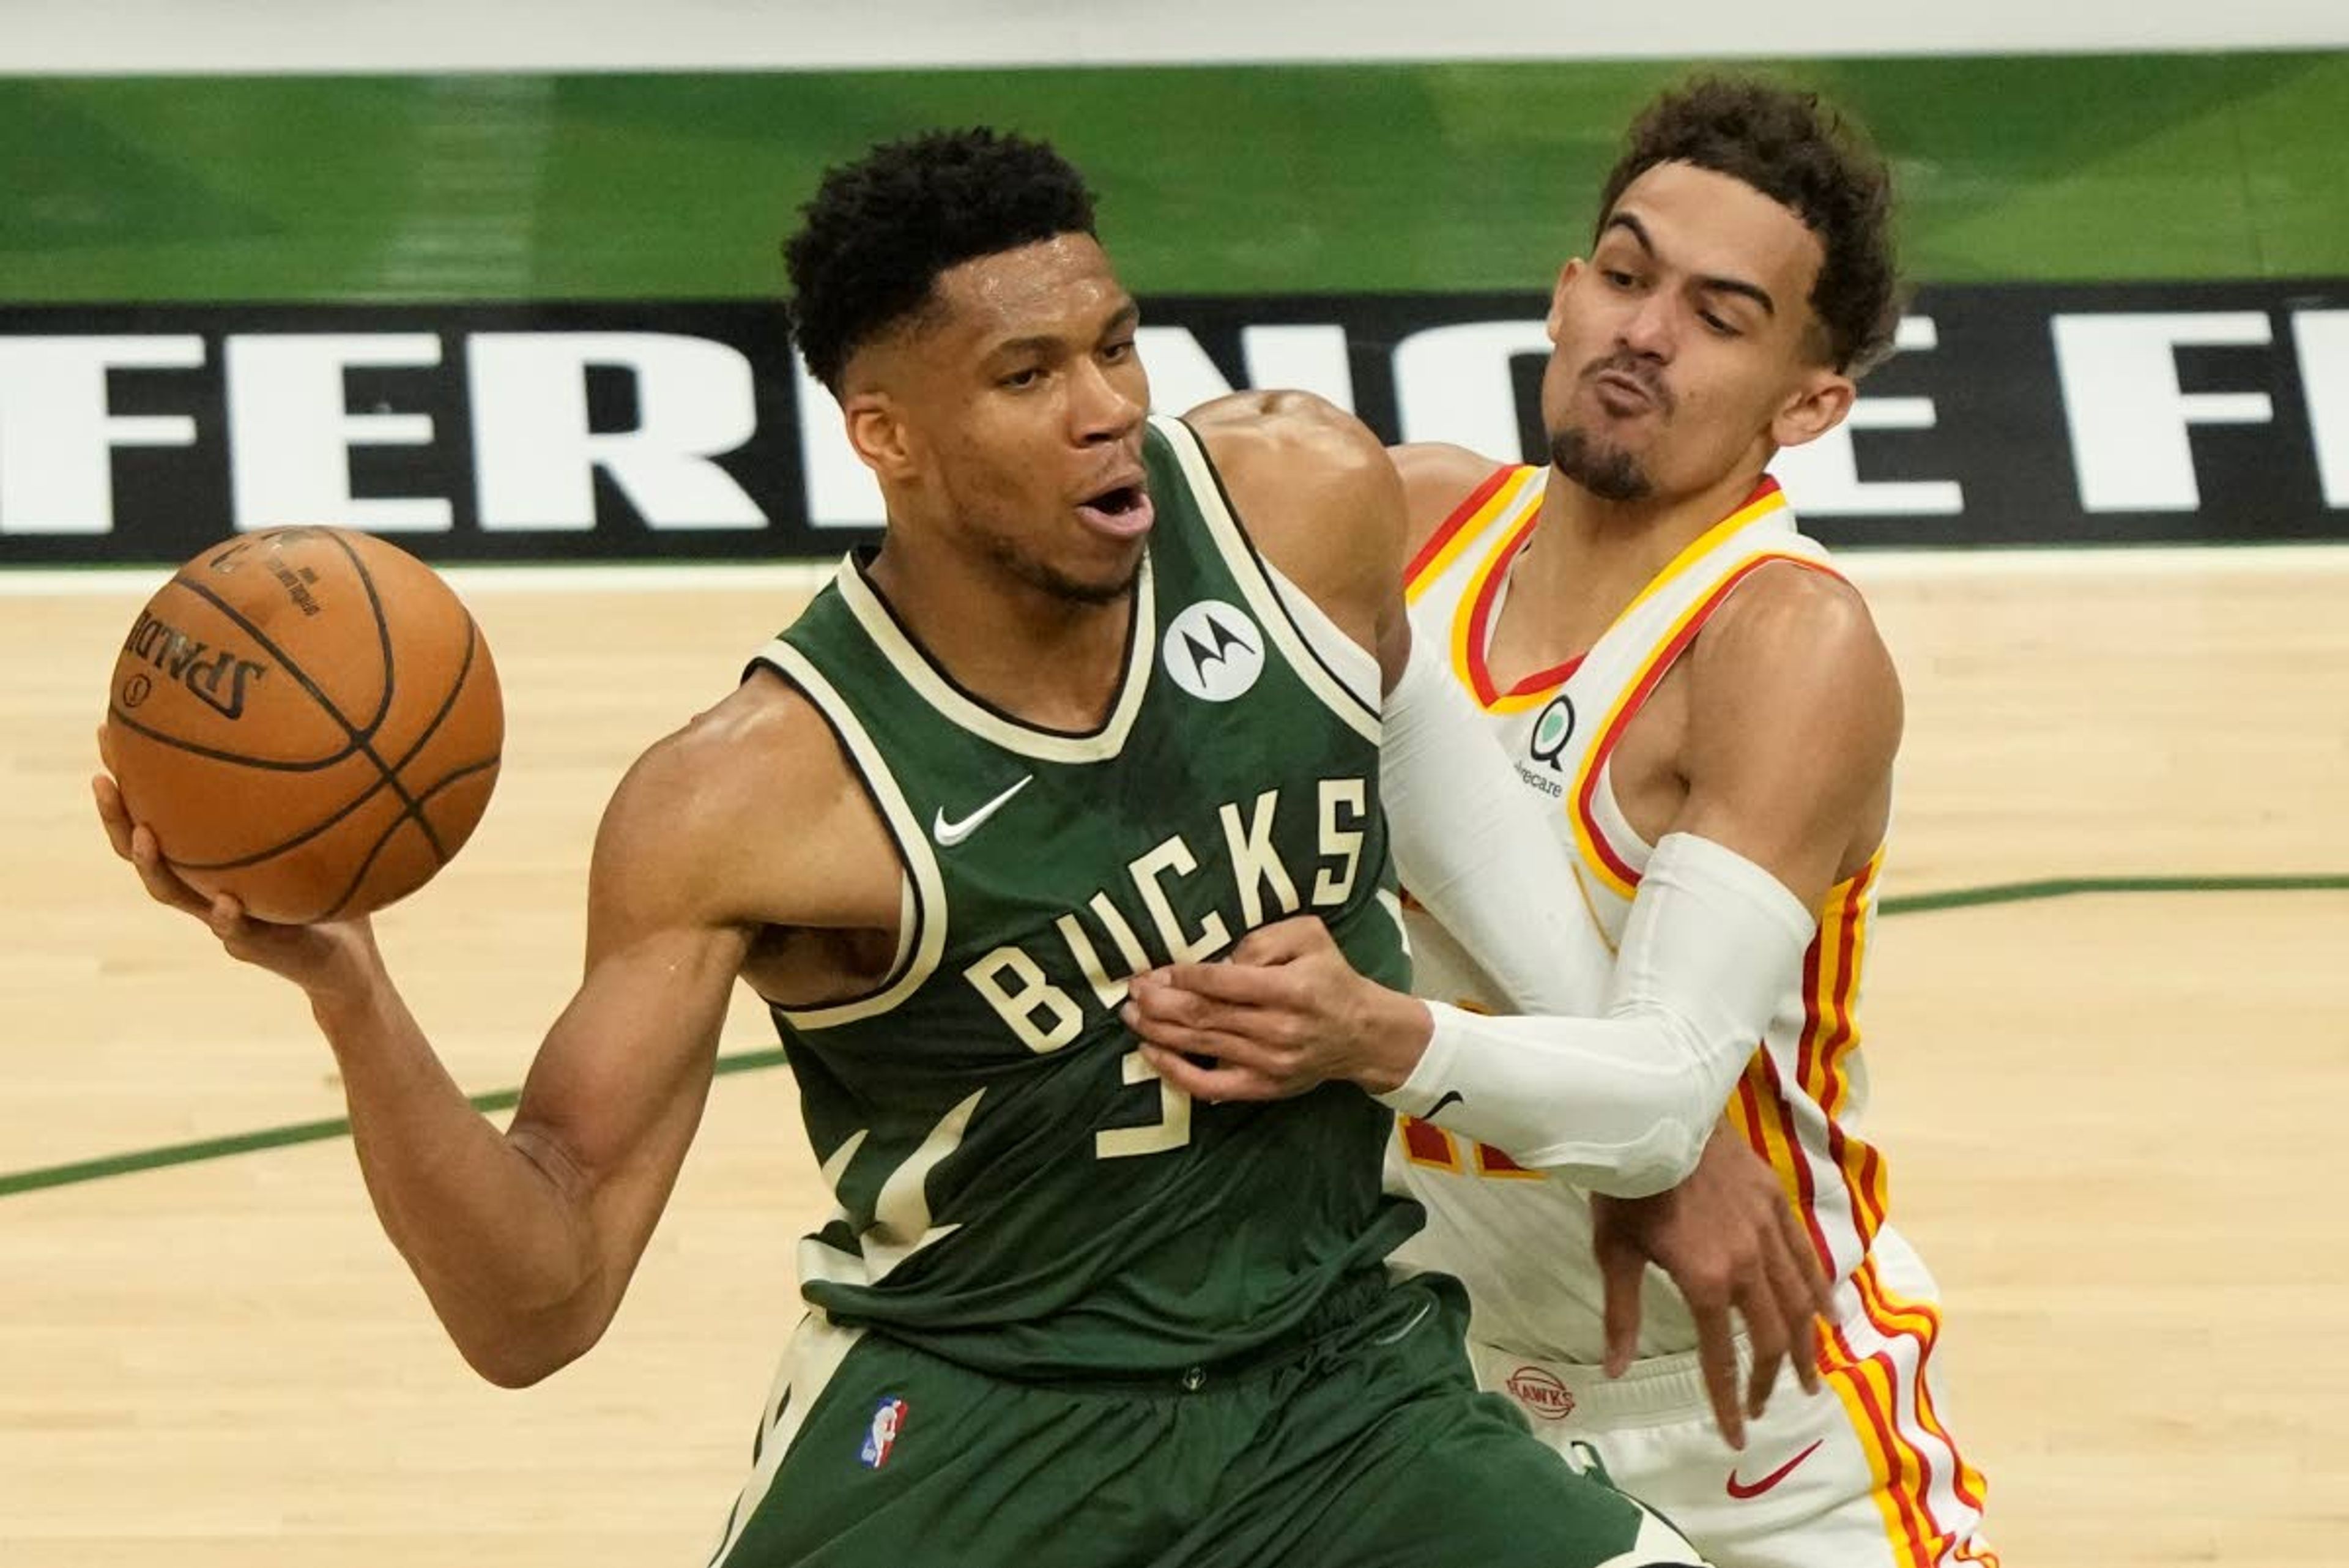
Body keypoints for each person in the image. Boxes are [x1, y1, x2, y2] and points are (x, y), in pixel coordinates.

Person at [95, 128, 1710, 1567]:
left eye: (1117, 346)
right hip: (984, 1434)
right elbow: (538, 1301)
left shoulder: (1302, 505)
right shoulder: (754, 796)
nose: (1106, 413)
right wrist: (350, 989)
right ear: (887, 434)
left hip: (1341, 1386)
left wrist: (1641, 1109)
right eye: (1027, 377)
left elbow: (1471, 864)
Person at [1124, 80, 1997, 1566]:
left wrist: (1368, 1036)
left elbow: (1659, 1086)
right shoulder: (1401, 525)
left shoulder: (1781, 643)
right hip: (1415, 1383)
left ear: (1809, 402)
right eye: (1625, 269)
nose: (1643, 331)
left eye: (1721, 315)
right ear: (1564, 288)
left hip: (1744, 1411)